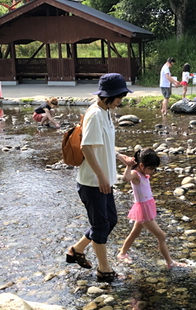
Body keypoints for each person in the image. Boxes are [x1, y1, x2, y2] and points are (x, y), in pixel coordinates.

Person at [65, 73, 134, 283]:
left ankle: (76, 250)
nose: (121, 101)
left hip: (103, 180)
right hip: (93, 182)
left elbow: (102, 142)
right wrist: (102, 177)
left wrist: (119, 156)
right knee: (101, 226)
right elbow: (86, 147)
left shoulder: (105, 111)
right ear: (108, 96)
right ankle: (104, 271)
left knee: (109, 220)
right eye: (119, 97)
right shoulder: (95, 114)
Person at [117, 148, 187, 269]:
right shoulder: (136, 174)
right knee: (161, 236)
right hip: (143, 210)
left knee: (135, 233)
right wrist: (128, 166)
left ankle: (122, 254)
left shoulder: (143, 173)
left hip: (147, 206)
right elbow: (126, 178)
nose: (152, 172)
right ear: (141, 165)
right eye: (151, 168)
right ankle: (170, 263)